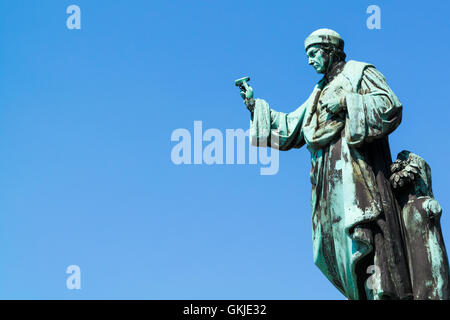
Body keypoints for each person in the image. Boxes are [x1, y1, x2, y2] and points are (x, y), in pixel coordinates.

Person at [241, 28, 413, 299]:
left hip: (357, 175)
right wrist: (255, 106)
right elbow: (290, 128)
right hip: (326, 182)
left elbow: (390, 106)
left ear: (330, 51)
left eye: (313, 54)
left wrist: (347, 101)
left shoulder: (359, 72)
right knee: (336, 248)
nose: (309, 61)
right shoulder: (318, 92)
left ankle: (379, 292)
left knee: (367, 238)